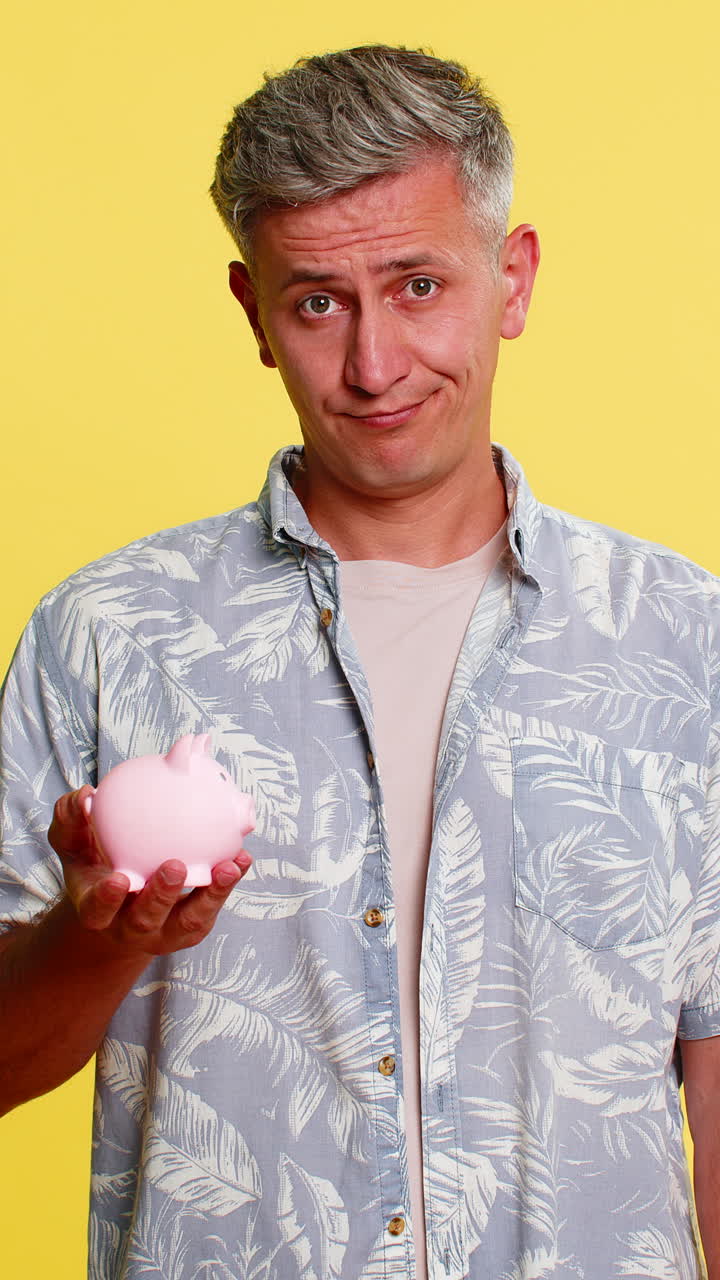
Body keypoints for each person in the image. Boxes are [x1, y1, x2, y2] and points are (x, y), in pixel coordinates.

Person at [0, 42, 718, 1280]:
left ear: (515, 276)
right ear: (253, 314)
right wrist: (102, 936)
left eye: (420, 285)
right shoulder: (107, 635)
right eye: (319, 301)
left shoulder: (682, 638)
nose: (376, 364)